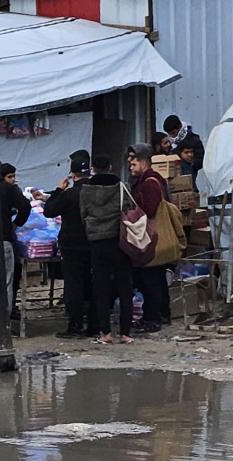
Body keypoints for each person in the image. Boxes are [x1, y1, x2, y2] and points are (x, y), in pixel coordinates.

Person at [79, 154, 133, 345]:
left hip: (97, 243)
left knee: (100, 288)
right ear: (110, 166)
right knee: (125, 287)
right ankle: (125, 334)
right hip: (119, 242)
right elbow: (129, 208)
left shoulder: (86, 190)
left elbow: (82, 213)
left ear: (93, 168)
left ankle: (106, 333)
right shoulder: (121, 186)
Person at [43, 152, 97, 339]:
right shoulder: (97, 192)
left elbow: (48, 211)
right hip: (94, 243)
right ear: (89, 172)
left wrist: (59, 190)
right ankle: (94, 325)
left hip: (72, 246)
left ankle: (74, 326)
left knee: (74, 285)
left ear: (72, 175)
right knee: (92, 284)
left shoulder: (69, 195)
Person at [129, 143, 171, 333]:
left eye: (133, 159)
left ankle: (153, 318)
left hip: (150, 238)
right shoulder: (148, 180)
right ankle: (161, 314)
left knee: (150, 278)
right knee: (156, 278)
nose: (130, 163)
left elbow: (150, 210)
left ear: (143, 161)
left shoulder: (150, 182)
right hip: (152, 238)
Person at [1, 163, 32, 320]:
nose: (13, 180)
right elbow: (25, 206)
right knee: (7, 280)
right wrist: (16, 224)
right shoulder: (8, 189)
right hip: (4, 239)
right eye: (10, 176)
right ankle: (5, 318)